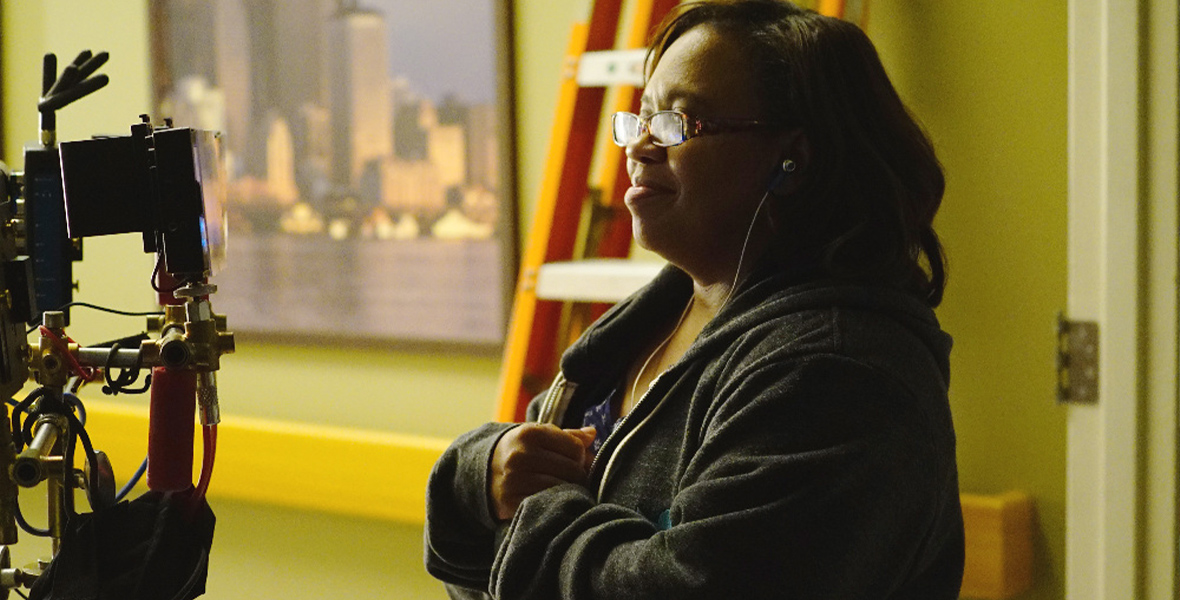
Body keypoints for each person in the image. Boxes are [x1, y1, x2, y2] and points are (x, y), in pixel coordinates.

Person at [424, 1, 963, 598]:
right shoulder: (633, 333)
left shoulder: (839, 374)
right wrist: (481, 467)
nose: (640, 147)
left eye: (681, 122)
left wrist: (530, 510)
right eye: (642, 117)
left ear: (795, 161)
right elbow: (488, 580)